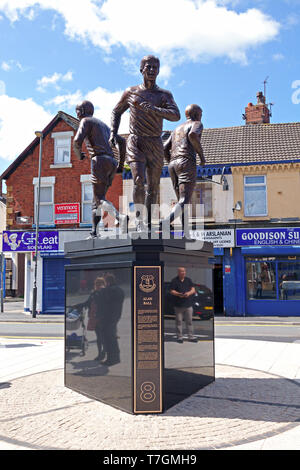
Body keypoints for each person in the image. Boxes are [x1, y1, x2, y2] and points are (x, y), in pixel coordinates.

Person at [110, 55, 180, 230]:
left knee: (154, 186)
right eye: (148, 67)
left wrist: (155, 110)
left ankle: (148, 223)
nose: (151, 70)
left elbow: (176, 115)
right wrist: (113, 132)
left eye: (155, 67)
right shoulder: (131, 92)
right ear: (141, 69)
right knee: (139, 180)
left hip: (155, 141)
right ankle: (140, 221)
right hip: (135, 141)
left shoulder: (164, 95)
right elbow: (116, 112)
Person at [73, 100, 128, 238]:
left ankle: (120, 217)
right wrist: (120, 165)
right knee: (96, 200)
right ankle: (94, 231)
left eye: (77, 111)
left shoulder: (86, 121)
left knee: (99, 198)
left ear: (82, 111)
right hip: (111, 162)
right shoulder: (104, 126)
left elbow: (76, 141)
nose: (77, 114)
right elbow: (122, 142)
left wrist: (79, 155)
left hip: (99, 161)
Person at [162, 104, 205, 230]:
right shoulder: (196, 124)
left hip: (172, 165)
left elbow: (165, 147)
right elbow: (193, 135)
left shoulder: (176, 129)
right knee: (184, 200)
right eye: (201, 115)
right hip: (186, 162)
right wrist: (202, 158)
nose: (201, 118)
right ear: (197, 114)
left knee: (181, 201)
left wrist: (171, 161)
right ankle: (165, 221)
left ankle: (186, 233)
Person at [101, 273, 125, 366]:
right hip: (116, 316)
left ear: (107, 281)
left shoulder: (108, 290)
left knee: (108, 339)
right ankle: (116, 358)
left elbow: (104, 302)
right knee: (113, 338)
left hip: (108, 317)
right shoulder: (120, 290)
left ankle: (111, 359)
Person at [169, 267, 196, 343]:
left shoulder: (188, 280)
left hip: (188, 305)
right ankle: (179, 337)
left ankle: (191, 337)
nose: (183, 273)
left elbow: (193, 289)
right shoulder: (174, 281)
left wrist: (188, 293)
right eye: (181, 271)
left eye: (184, 271)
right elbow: (172, 291)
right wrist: (179, 294)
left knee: (189, 321)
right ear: (178, 272)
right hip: (178, 305)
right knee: (179, 322)